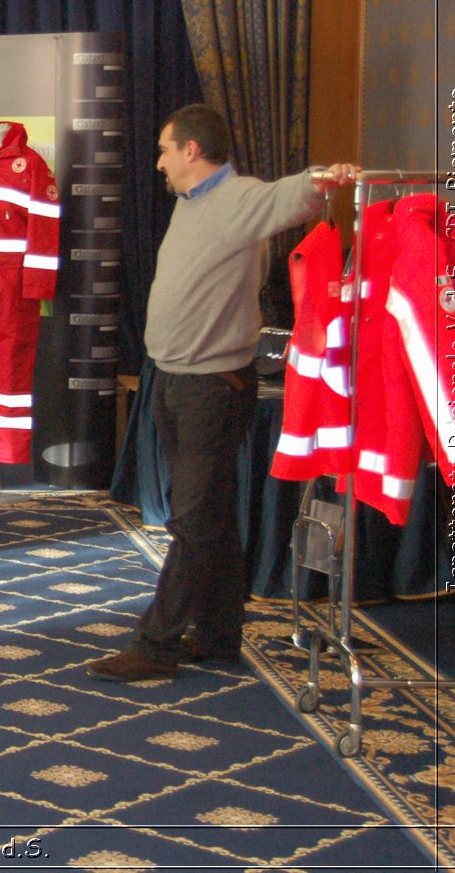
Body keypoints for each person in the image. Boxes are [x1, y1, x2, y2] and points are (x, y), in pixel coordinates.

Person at [88, 104, 359, 682]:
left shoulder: (237, 197)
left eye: (164, 149)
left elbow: (287, 198)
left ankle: (156, 645)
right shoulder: (193, 205)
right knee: (210, 516)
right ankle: (216, 636)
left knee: (191, 520)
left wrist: (322, 179)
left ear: (191, 151)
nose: (158, 162)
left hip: (210, 388)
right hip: (177, 380)